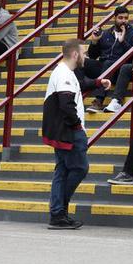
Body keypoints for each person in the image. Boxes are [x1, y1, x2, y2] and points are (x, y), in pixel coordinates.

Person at [42, 38, 90, 229]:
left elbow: (78, 86)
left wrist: (96, 82)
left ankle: (57, 213)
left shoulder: (63, 72)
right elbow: (66, 104)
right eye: (84, 53)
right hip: (69, 131)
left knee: (62, 170)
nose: (86, 56)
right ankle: (59, 209)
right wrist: (77, 126)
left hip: (60, 130)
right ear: (75, 54)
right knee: (79, 168)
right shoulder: (64, 74)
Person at [83, 6, 133, 111]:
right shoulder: (106, 33)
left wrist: (122, 41)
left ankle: (99, 100)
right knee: (81, 62)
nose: (123, 21)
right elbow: (93, 55)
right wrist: (94, 42)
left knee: (108, 63)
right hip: (104, 67)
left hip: (120, 70)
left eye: (126, 18)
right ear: (114, 18)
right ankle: (75, 93)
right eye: (120, 18)